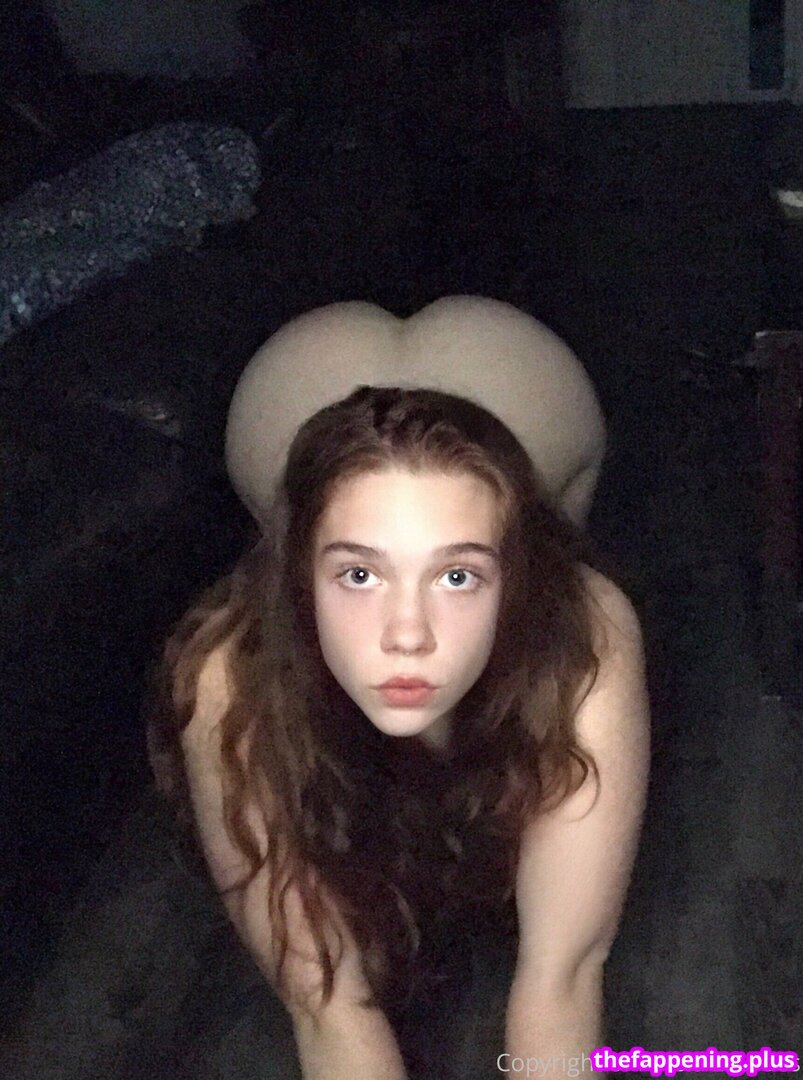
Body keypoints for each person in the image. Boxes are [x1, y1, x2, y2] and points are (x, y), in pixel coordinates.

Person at [146, 296, 650, 1080]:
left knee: (535, 643)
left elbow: (564, 977)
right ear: (301, 579)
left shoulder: (585, 627)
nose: (406, 633)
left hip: (514, 372)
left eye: (457, 576)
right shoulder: (225, 675)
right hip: (295, 378)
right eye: (357, 575)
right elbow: (327, 1008)